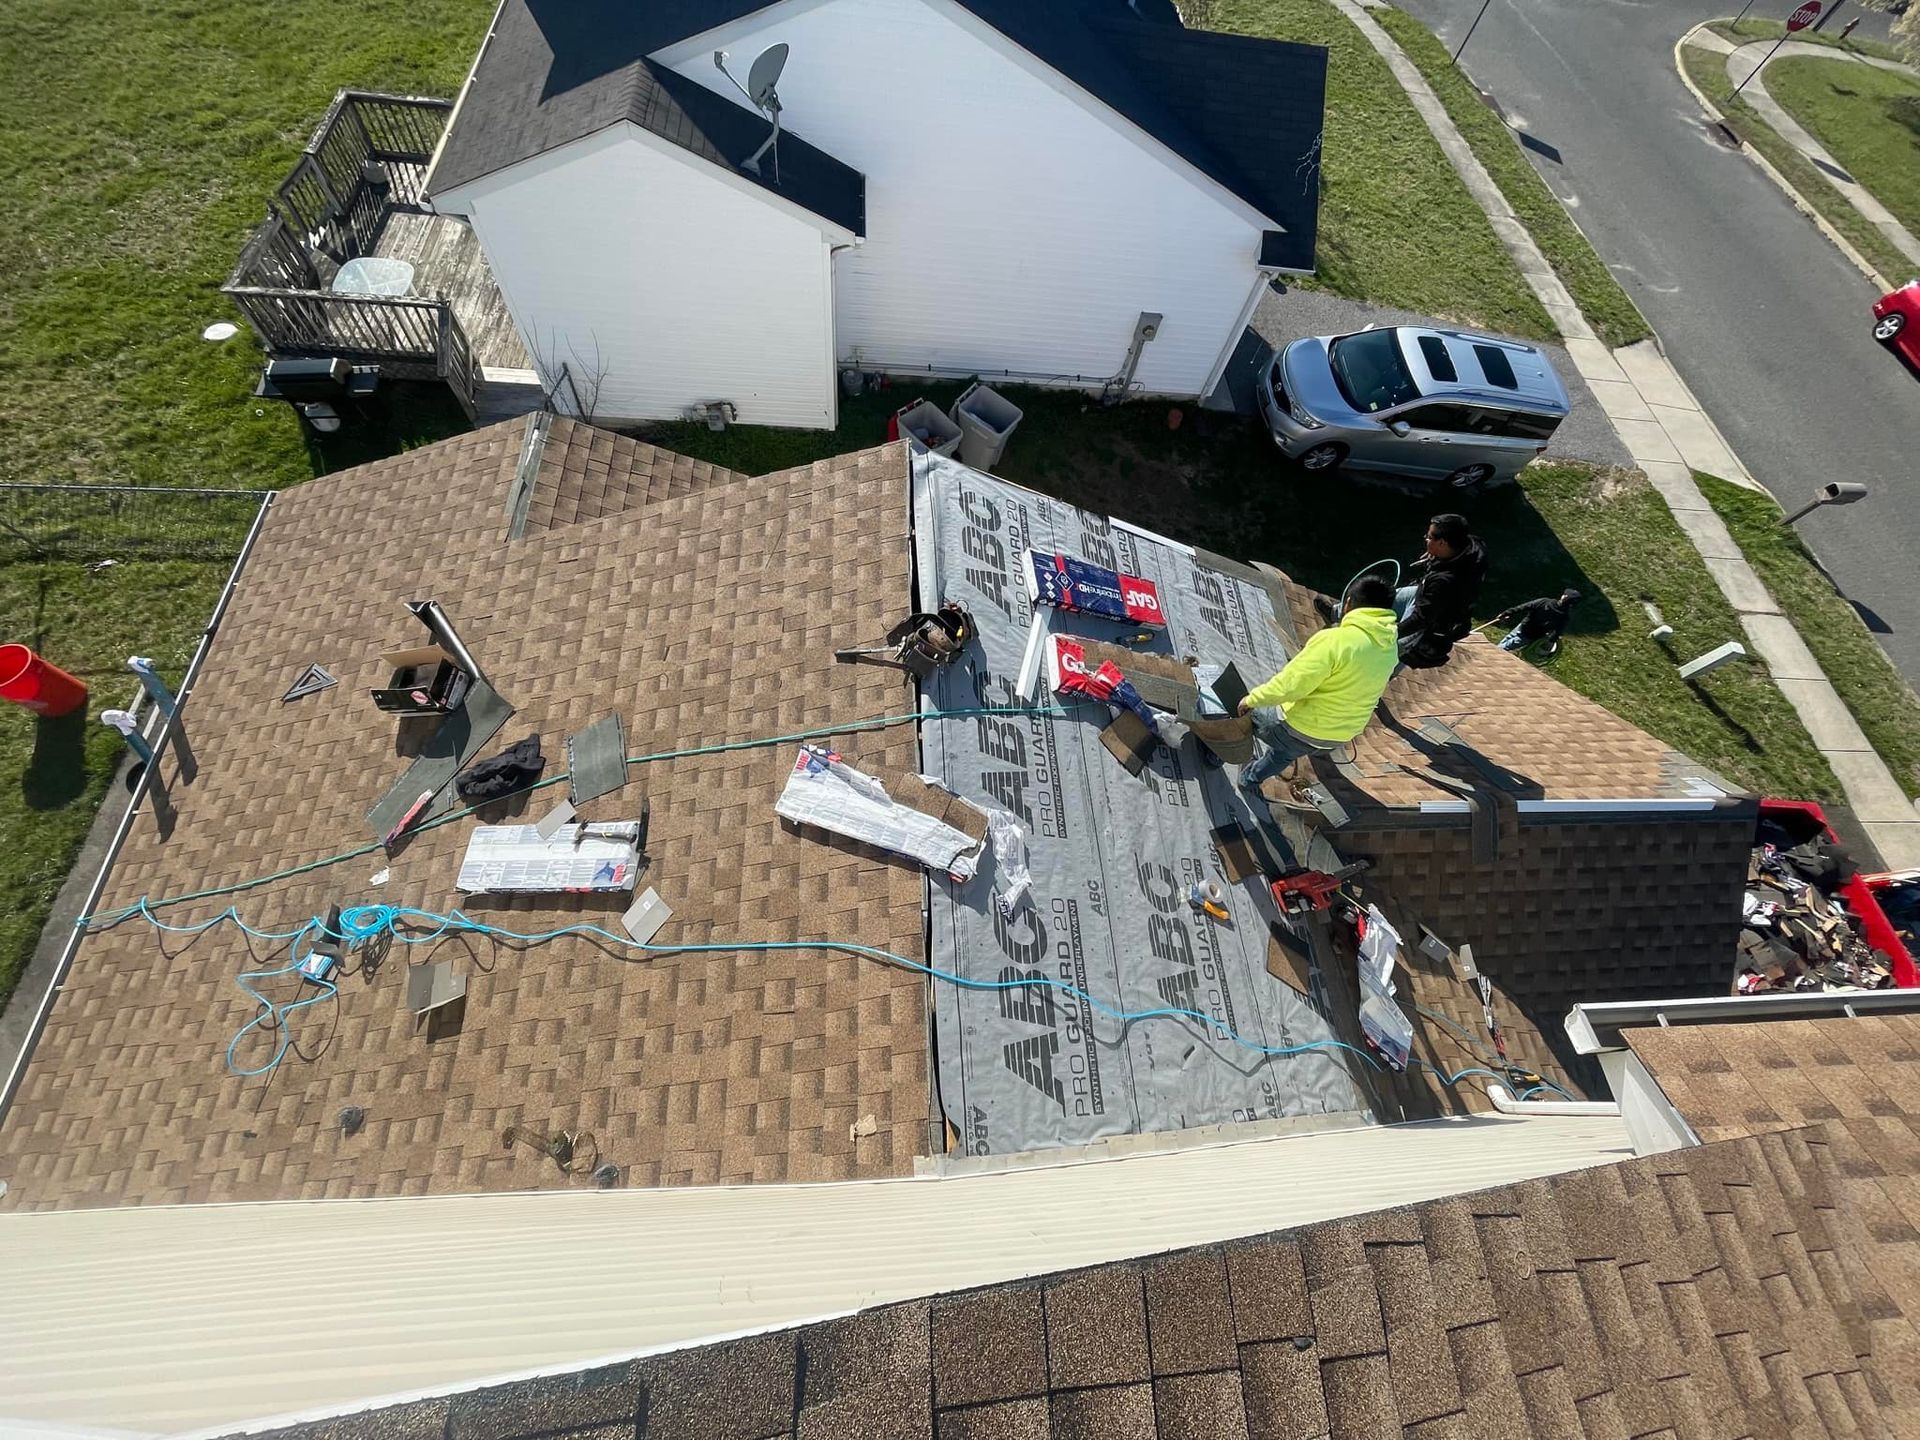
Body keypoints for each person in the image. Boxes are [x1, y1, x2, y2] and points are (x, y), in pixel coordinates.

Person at [1235, 576, 1399, 793]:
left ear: (1348, 603)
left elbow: (1290, 686)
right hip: (1333, 739)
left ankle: (1221, 752)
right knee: (1284, 753)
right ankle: (1250, 780)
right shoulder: (1390, 648)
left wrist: (1251, 699)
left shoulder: (1337, 640)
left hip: (1298, 727)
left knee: (1243, 709)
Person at [1396, 513, 1488, 669]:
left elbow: (1420, 619)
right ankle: (1340, 614)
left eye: (1429, 537)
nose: (1425, 539)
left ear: (1442, 543)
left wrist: (1391, 634)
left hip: (1431, 618)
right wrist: (1435, 554)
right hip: (1423, 594)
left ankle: (1379, 679)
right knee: (1378, 595)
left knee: (1394, 648)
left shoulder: (1444, 582)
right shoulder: (1473, 546)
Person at [1495, 587, 1581, 655]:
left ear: (1564, 597)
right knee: (1505, 646)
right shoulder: (1564, 616)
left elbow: (1524, 607)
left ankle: (1491, 653)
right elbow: (1558, 632)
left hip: (1523, 626)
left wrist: (1506, 613)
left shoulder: (1544, 601)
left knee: (1506, 641)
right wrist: (1550, 642)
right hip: (1531, 636)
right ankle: (1492, 653)